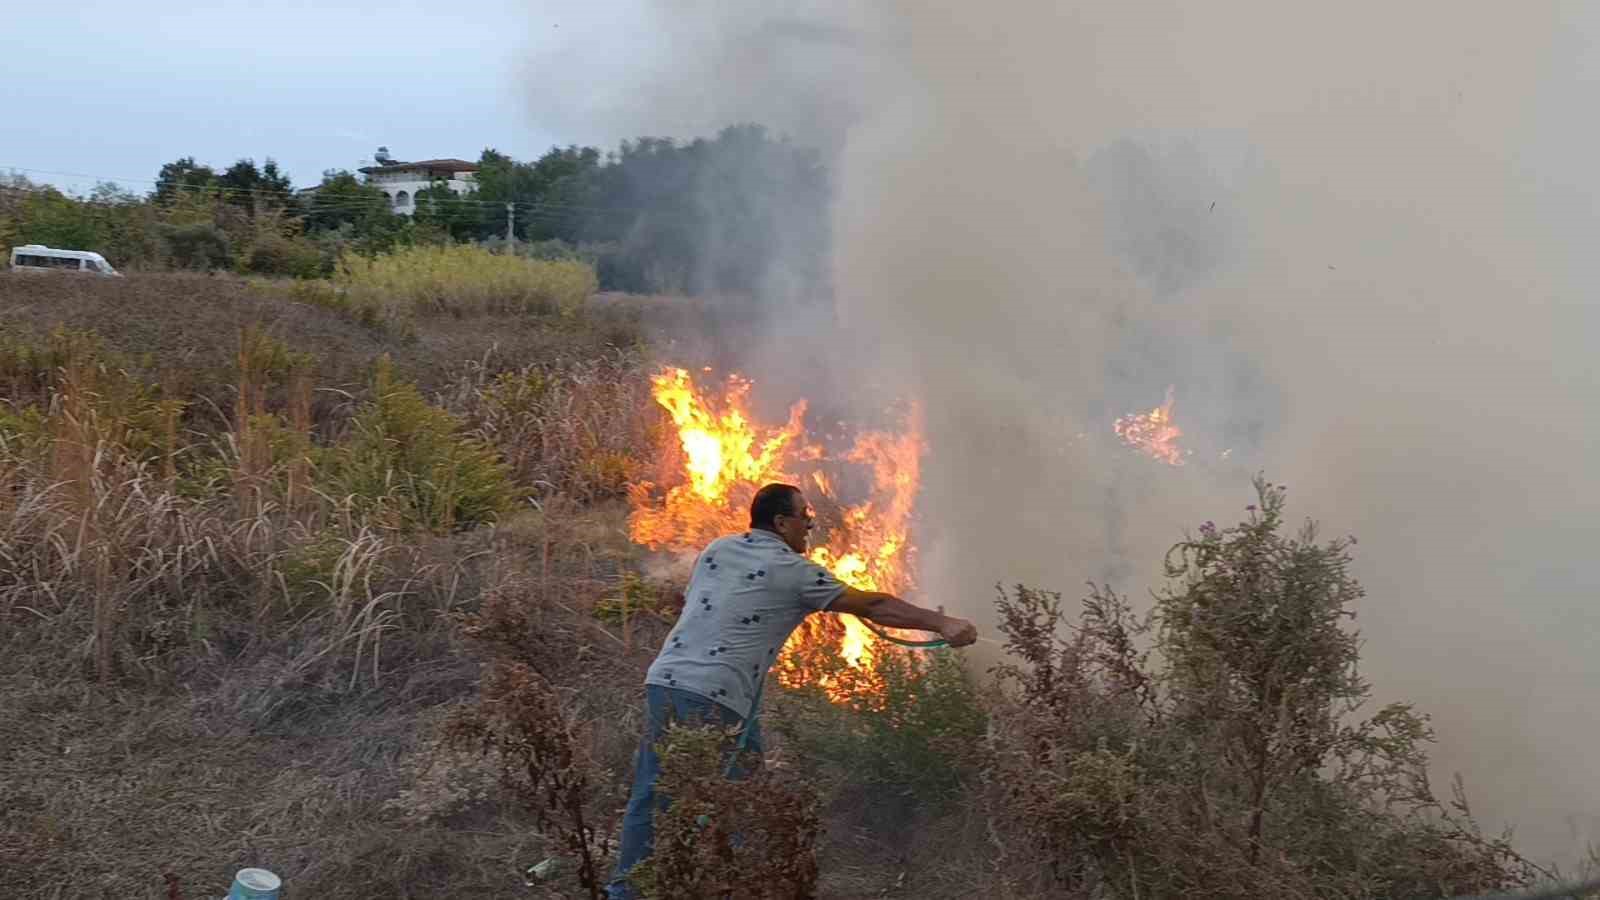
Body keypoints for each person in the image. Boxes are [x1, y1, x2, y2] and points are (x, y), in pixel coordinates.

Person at [607, 482, 979, 898]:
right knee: (719, 799)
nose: (810, 525)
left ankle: (691, 883)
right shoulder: (791, 571)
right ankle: (672, 888)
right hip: (714, 694)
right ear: (782, 522)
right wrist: (942, 624)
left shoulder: (719, 548)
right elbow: (873, 606)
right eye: (805, 517)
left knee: (678, 790)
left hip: (667, 681)